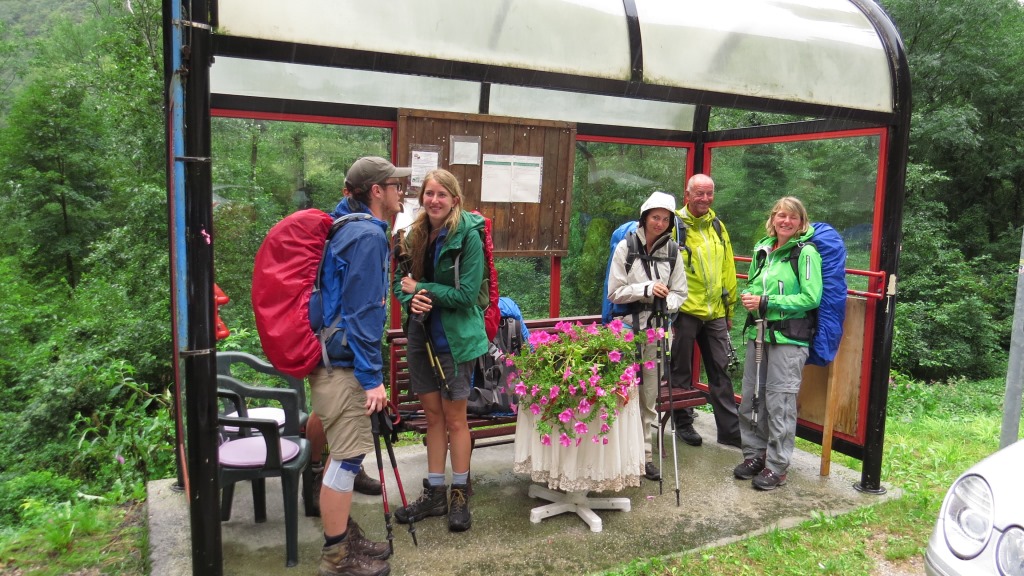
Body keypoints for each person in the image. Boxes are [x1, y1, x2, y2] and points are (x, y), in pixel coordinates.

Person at [311, 156, 408, 576]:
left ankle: (343, 536)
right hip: (345, 363)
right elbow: (364, 312)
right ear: (377, 191)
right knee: (347, 460)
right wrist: (372, 379)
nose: (402, 192)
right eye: (396, 185)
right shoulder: (367, 236)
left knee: (343, 457)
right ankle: (337, 557)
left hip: (331, 355)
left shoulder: (344, 224)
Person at [392, 169, 487, 532]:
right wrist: (411, 298)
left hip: (456, 340)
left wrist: (422, 289)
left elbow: (466, 296)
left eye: (441, 194)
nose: (434, 200)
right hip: (420, 335)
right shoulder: (414, 234)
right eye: (429, 194)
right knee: (433, 417)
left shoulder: (468, 238)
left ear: (454, 200)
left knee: (455, 419)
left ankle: (459, 492)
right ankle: (434, 493)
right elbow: (401, 284)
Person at [734, 196, 822, 491]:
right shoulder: (763, 249)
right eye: (781, 215)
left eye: (793, 217)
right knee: (752, 397)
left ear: (801, 222)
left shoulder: (805, 253)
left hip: (788, 339)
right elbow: (753, 284)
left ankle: (777, 466)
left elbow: (811, 297)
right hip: (758, 333)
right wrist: (750, 297)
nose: (786, 221)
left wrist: (767, 301)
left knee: (779, 402)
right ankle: (755, 455)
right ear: (772, 219)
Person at [607, 191, 688, 481]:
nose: (660, 223)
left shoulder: (673, 251)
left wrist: (666, 302)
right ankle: (618, 455)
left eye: (665, 219)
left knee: (649, 395)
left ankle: (645, 457)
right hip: (627, 329)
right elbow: (614, 292)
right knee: (622, 393)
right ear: (644, 217)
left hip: (658, 330)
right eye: (655, 217)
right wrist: (646, 289)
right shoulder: (625, 247)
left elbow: (680, 292)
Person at [668, 174, 742, 448]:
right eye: (699, 193)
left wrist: (729, 310)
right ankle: (683, 423)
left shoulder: (718, 227)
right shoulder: (674, 225)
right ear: (687, 195)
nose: (705, 198)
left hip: (715, 312)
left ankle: (730, 431)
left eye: (709, 193)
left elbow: (728, 268)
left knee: (720, 369)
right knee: (681, 371)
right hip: (685, 310)